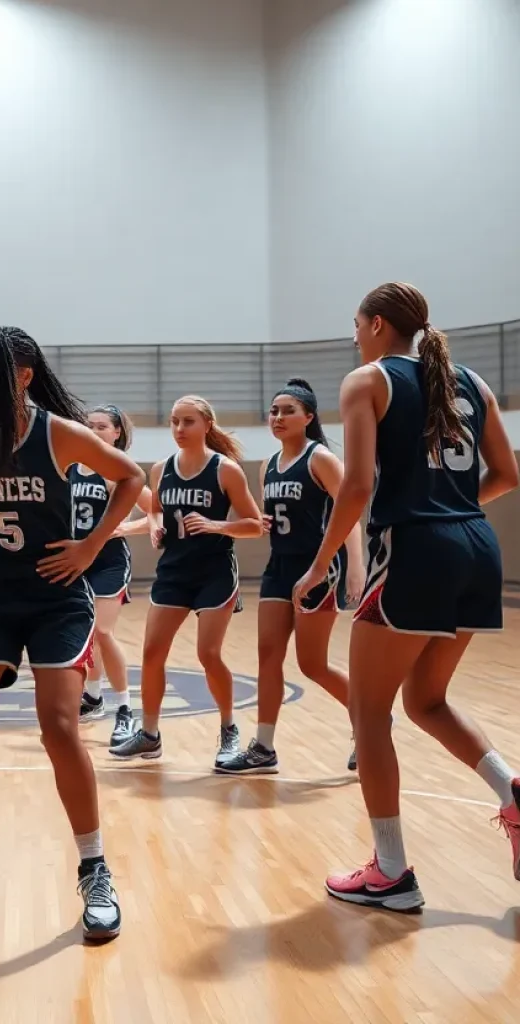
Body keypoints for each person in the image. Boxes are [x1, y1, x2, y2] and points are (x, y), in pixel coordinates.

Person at [292, 282, 520, 911]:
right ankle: (512, 789)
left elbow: (358, 485)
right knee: (426, 700)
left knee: (369, 714)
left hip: (417, 549)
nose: (354, 334)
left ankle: (390, 871)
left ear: (376, 325)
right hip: (478, 547)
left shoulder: (366, 381)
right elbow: (506, 475)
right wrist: (453, 511)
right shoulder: (472, 380)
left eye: (356, 323)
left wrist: (319, 567)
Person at [0, 326, 145, 943]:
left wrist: (92, 546)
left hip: (54, 600)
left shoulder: (57, 433)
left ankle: (94, 867)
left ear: (23, 376)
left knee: (60, 728)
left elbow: (132, 479)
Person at [218, 379, 365, 775]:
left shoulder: (321, 460)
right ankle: (263, 748)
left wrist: (355, 565)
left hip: (318, 567)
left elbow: (347, 512)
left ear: (309, 418)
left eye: (288, 411)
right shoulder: (267, 465)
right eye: (274, 411)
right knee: (268, 655)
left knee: (312, 665)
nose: (278, 418)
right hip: (278, 567)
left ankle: (371, 723)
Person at [110, 396, 263, 766]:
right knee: (151, 653)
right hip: (174, 571)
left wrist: (216, 525)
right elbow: (158, 511)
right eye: (175, 422)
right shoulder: (162, 469)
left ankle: (229, 730)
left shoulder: (225, 470)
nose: (179, 429)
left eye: (188, 422)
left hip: (214, 572)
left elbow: (255, 525)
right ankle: (149, 734)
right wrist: (156, 528)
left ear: (206, 425)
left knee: (208, 654)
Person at [72, 404, 152, 746]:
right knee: (81, 635)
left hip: (109, 561)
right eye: (89, 425)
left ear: (117, 432)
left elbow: (157, 511)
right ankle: (93, 697)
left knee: (103, 632)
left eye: (102, 426)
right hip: (76, 561)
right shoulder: (69, 469)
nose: (94, 430)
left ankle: (124, 709)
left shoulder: (117, 472)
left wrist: (124, 527)